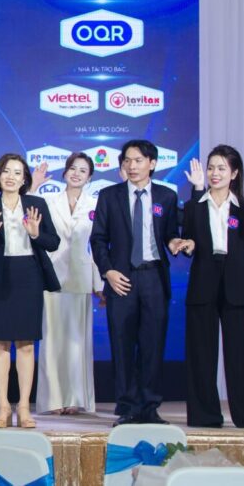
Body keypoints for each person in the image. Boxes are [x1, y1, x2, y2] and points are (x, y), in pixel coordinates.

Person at [90, 139, 188, 427]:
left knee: (153, 344)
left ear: (152, 163)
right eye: (127, 161)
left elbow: (169, 233)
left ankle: (150, 406)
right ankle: (128, 407)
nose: (131, 166)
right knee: (122, 344)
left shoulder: (166, 196)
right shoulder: (109, 195)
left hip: (153, 277)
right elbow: (98, 239)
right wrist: (108, 272)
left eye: (138, 160)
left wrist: (174, 242)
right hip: (121, 278)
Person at [0, 153, 61, 429]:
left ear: (24, 179)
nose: (11, 177)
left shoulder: (36, 204)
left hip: (29, 276)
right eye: (6, 171)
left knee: (26, 345)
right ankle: (3, 407)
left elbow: (53, 242)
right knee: (0, 344)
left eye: (17, 173)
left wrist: (36, 234)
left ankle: (24, 407)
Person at [181, 146, 244, 428]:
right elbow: (188, 238)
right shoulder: (195, 204)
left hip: (236, 285)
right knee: (201, 353)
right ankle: (204, 415)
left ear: (234, 173)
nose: (214, 173)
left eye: (221, 168)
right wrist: (196, 191)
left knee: (239, 354)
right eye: (211, 168)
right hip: (203, 281)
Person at [30, 155, 104, 415]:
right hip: (52, 276)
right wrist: (34, 184)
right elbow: (25, 213)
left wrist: (99, 284)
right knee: (52, 340)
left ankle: (75, 399)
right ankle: (53, 399)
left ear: (89, 177)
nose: (76, 174)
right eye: (72, 168)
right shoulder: (49, 201)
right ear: (64, 172)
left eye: (83, 170)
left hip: (81, 276)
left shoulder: (96, 204)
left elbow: (98, 246)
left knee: (77, 342)